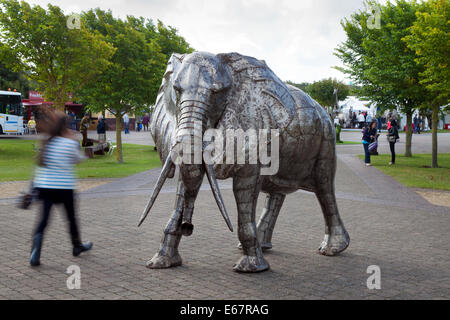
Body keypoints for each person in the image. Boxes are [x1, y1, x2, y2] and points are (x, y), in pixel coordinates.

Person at [30, 111, 92, 267]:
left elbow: (40, 165)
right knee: (71, 218)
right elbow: (77, 160)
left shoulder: (47, 142)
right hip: (64, 187)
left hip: (45, 187)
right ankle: (76, 245)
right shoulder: (69, 143)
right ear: (66, 126)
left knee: (43, 220)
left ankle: (35, 251)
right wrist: (74, 142)